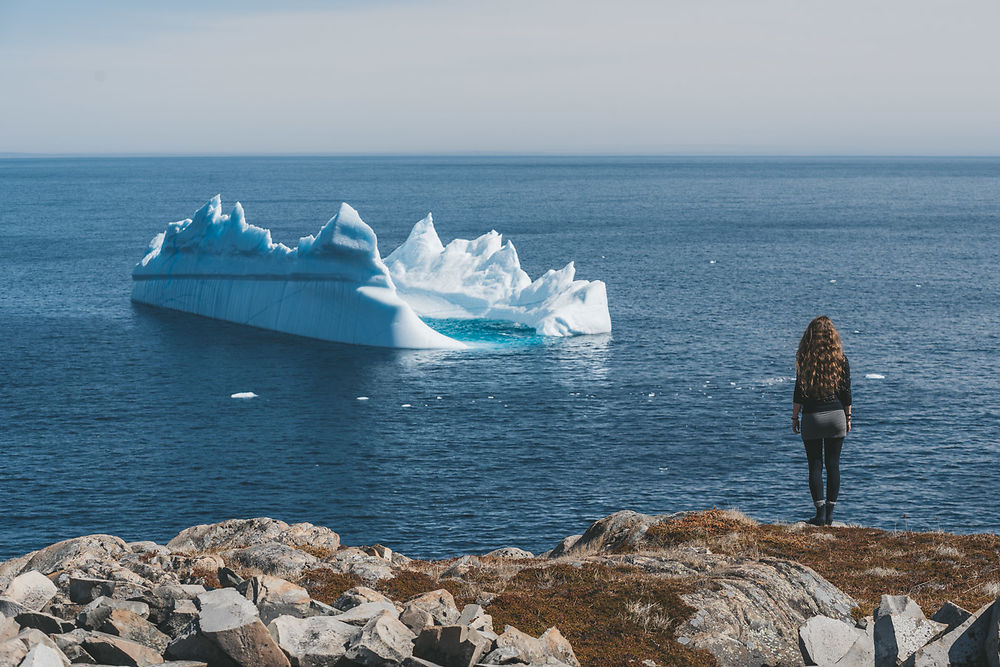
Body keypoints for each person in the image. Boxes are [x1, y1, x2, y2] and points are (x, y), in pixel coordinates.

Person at [792, 316, 852, 526]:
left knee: (815, 466)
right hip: (836, 416)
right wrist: (848, 417)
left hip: (812, 417)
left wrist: (794, 417)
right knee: (833, 465)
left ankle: (819, 513)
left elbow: (799, 393)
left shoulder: (804, 358)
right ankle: (831, 514)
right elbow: (846, 393)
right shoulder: (841, 359)